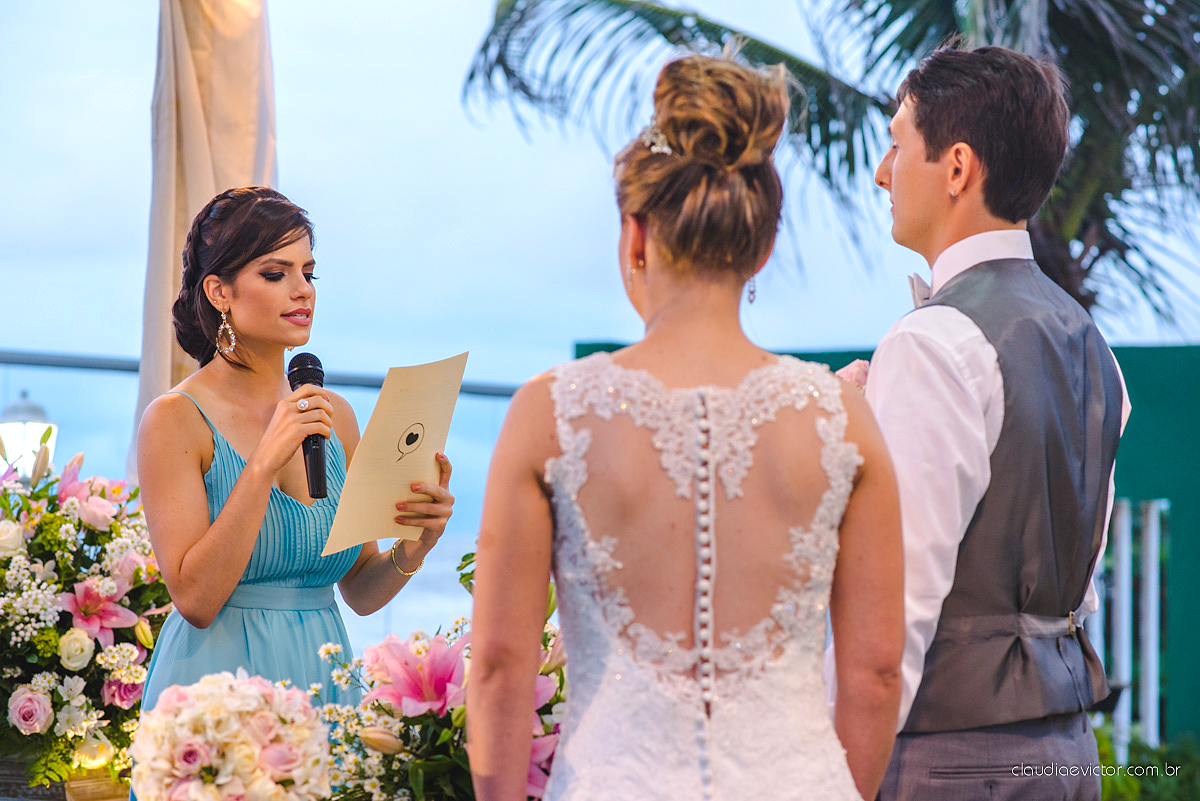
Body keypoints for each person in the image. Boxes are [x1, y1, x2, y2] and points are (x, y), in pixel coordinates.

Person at [467, 53, 904, 801]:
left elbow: (504, 665)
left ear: (635, 236)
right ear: (763, 246)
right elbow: (874, 674)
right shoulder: (843, 418)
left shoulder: (551, 413)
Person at [859, 46, 1130, 800]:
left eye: (896, 143)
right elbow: (1078, 586)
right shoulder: (1089, 341)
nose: (882, 172)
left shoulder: (930, 341)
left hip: (951, 761)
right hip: (1071, 753)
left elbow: (892, 621)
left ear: (955, 168)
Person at [133, 187, 454, 740]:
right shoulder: (173, 420)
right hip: (218, 692)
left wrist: (415, 546)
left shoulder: (338, 418)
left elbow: (358, 590)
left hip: (324, 680)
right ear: (219, 291)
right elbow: (196, 600)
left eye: (309, 272)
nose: (302, 290)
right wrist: (260, 467)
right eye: (275, 274)